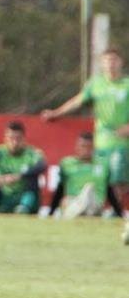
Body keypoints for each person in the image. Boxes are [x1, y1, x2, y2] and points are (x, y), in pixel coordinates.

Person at [42, 48, 129, 241]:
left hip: (123, 143)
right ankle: (102, 211)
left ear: (121, 62)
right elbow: (77, 101)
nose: (111, 64)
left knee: (117, 178)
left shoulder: (126, 85)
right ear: (102, 64)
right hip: (102, 142)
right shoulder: (96, 85)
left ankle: (116, 214)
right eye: (107, 60)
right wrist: (56, 113)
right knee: (106, 179)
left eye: (114, 60)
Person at [44, 132, 120, 219]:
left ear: (93, 148)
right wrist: (51, 212)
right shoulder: (67, 164)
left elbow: (109, 190)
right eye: (83, 146)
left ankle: (85, 201)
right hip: (73, 201)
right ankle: (80, 205)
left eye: (89, 147)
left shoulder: (103, 165)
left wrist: (119, 213)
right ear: (77, 147)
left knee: (89, 190)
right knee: (70, 202)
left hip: (94, 203)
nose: (86, 150)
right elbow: (60, 189)